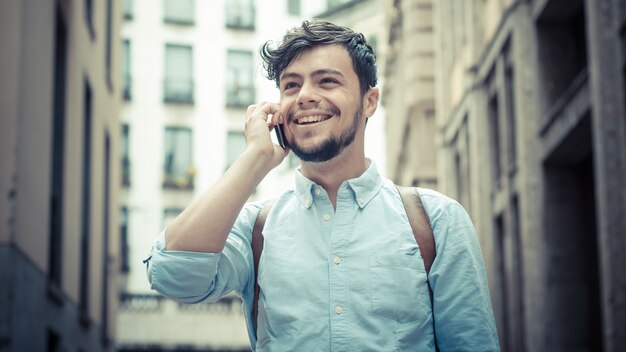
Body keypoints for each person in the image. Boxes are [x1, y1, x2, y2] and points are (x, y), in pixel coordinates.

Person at [146, 20, 500, 351]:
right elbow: (172, 274)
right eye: (291, 85)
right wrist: (254, 160)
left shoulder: (437, 221)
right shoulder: (256, 229)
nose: (304, 96)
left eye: (327, 81)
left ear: (370, 101)